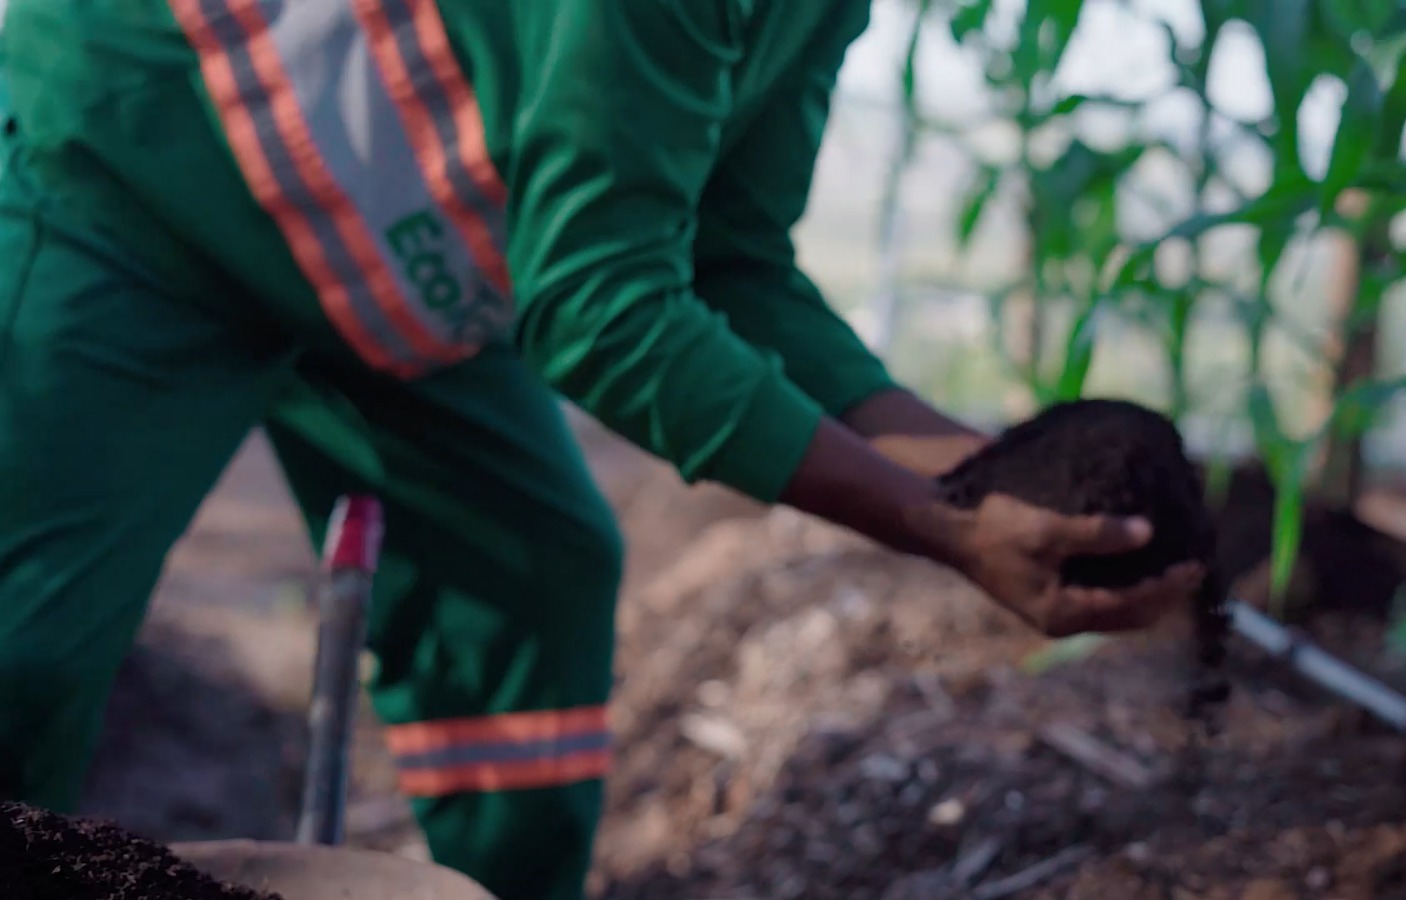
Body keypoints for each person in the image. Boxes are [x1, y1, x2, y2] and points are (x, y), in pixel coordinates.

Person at [0, 0, 1204, 896]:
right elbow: (599, 308)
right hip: (143, 170)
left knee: (538, 571)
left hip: (388, 267)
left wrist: (981, 472)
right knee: (25, 644)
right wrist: (933, 526)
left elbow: (731, 264)